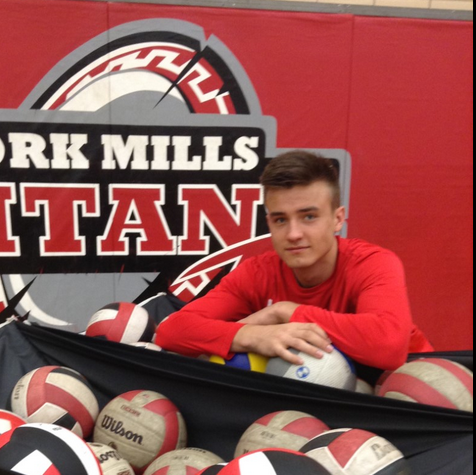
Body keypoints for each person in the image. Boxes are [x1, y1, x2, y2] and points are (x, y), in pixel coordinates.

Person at [155, 150, 433, 371]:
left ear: (338, 219)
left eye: (309, 216)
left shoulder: (373, 263)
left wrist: (284, 312)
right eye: (280, 220)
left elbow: (389, 346)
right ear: (268, 222)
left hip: (419, 394)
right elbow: (170, 331)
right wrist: (254, 335)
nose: (294, 234)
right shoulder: (257, 273)